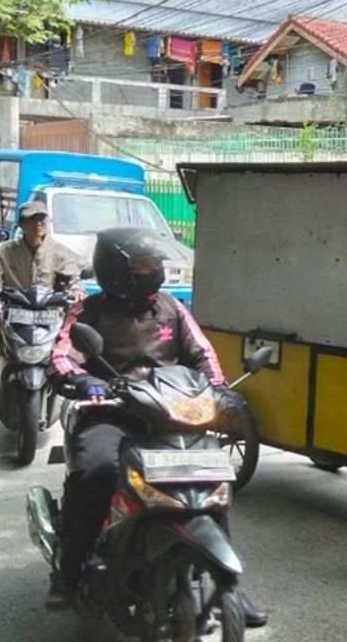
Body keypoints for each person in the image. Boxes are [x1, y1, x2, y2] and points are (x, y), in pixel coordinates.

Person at [44, 227, 267, 627]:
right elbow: (62, 356)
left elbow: (203, 355)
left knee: (209, 479)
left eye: (156, 263)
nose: (155, 271)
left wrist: (217, 390)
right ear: (116, 269)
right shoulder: (89, 311)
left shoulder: (170, 308)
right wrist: (84, 381)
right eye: (144, 264)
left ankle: (225, 578)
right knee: (99, 473)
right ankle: (70, 568)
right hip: (109, 414)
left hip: (168, 413)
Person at [0, 200, 84, 300]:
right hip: (13, 308)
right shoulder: (2, 251)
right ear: (21, 224)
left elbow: (73, 278)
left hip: (51, 311)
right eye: (31, 220)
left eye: (42, 219)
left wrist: (77, 291)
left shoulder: (63, 253)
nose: (38, 223)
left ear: (49, 222)